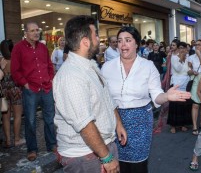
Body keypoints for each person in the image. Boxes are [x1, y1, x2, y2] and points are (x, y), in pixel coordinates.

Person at [101, 27, 191, 173]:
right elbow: (103, 97)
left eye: (128, 40)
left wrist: (167, 96)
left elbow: (156, 95)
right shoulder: (106, 67)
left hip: (140, 121)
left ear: (137, 44)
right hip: (113, 121)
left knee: (138, 165)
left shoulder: (147, 66)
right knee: (115, 165)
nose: (123, 44)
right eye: (120, 41)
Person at [53, 15, 126, 173]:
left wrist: (118, 123)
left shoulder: (90, 65)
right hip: (85, 155)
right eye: (96, 35)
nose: (99, 40)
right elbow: (84, 124)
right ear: (85, 42)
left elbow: (107, 99)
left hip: (101, 146)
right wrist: (106, 157)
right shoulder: (71, 75)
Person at [11, 22, 57, 161]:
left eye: (37, 30)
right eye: (32, 31)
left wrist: (51, 79)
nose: (36, 33)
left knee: (49, 119)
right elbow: (15, 70)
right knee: (30, 121)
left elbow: (49, 65)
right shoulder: (18, 48)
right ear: (26, 33)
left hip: (46, 88)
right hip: (30, 90)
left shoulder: (43, 47)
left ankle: (51, 144)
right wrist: (25, 84)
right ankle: (32, 149)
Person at [0, 39, 25, 148]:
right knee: (17, 116)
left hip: (3, 91)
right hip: (16, 89)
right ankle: (17, 139)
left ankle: (8, 141)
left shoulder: (1, 60)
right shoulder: (16, 60)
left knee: (5, 116)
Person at [167, 41, 192, 134]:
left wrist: (191, 71)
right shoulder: (173, 57)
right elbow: (178, 68)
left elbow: (187, 70)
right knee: (174, 104)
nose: (182, 50)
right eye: (180, 48)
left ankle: (183, 124)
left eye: (183, 48)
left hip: (185, 82)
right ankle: (173, 125)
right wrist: (181, 57)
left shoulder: (188, 57)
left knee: (184, 104)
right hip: (176, 83)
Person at [187, 39, 201, 135]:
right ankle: (195, 126)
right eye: (196, 45)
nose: (197, 46)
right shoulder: (191, 57)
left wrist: (199, 55)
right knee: (195, 104)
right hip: (196, 79)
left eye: (199, 45)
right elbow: (188, 71)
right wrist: (192, 71)